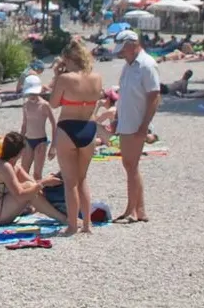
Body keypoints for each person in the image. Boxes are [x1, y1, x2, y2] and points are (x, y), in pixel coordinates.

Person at [48, 39, 104, 236]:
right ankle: (87, 225)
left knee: (70, 181)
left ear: (69, 59)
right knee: (82, 180)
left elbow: (53, 103)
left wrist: (57, 76)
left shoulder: (65, 79)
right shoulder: (96, 77)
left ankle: (72, 226)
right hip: (89, 127)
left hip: (68, 127)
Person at [113, 29, 160, 223]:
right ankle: (139, 210)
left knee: (131, 165)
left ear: (132, 45)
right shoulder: (129, 66)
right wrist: (116, 116)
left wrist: (144, 125)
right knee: (130, 165)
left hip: (137, 122)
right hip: (126, 120)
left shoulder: (147, 65)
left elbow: (154, 96)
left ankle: (131, 209)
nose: (121, 54)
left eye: (123, 50)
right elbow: (123, 94)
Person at [0, 133, 67, 227]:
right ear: (21, 151)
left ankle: (64, 213)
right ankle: (64, 218)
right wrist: (44, 183)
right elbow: (20, 195)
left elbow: (33, 183)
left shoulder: (13, 166)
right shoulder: (4, 167)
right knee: (29, 188)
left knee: (31, 187)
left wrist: (49, 181)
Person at [19, 75, 57, 180]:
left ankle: (38, 195)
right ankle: (26, 195)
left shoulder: (44, 105)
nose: (32, 95)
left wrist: (53, 146)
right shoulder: (26, 105)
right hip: (27, 140)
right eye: (30, 93)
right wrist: (19, 143)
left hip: (40, 141)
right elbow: (24, 125)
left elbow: (54, 124)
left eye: (34, 93)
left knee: (37, 174)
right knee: (23, 172)